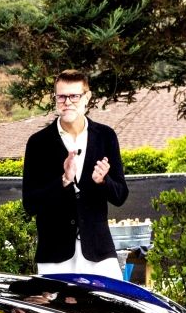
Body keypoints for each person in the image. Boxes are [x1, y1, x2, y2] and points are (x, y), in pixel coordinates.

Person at [22, 69, 127, 278]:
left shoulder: (106, 136)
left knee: (108, 308)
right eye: (61, 96)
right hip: (54, 254)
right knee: (57, 311)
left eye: (74, 96)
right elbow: (30, 204)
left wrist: (103, 181)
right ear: (55, 98)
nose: (67, 102)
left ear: (87, 97)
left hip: (99, 252)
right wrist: (64, 180)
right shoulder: (38, 143)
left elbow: (120, 195)